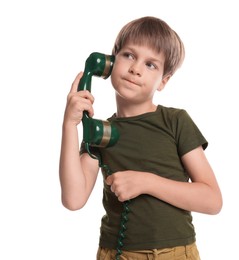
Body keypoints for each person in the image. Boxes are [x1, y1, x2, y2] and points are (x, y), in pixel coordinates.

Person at [59, 16, 222, 260]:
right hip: (117, 253)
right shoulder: (100, 133)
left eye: (151, 65)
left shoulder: (175, 121)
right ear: (109, 63)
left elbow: (212, 200)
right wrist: (70, 125)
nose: (136, 68)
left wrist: (147, 183)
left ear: (163, 81)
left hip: (174, 253)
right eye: (129, 55)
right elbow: (73, 199)